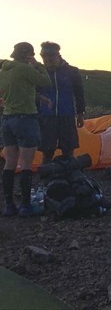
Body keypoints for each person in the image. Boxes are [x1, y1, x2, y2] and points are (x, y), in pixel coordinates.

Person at [0, 42, 52, 217]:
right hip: (25, 119)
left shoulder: (4, 70)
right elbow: (46, 81)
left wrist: (37, 97)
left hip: (7, 119)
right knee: (26, 164)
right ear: (27, 55)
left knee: (10, 163)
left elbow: (15, 91)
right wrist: (38, 66)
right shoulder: (24, 69)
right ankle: (25, 206)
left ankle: (8, 205)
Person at [37, 41, 86, 164]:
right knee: (47, 150)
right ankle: (46, 179)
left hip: (67, 114)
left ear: (58, 55)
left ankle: (70, 176)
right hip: (46, 115)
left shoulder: (72, 71)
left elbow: (79, 93)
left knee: (68, 148)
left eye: (50, 56)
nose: (47, 59)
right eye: (43, 56)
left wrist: (80, 113)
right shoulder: (39, 72)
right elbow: (33, 93)